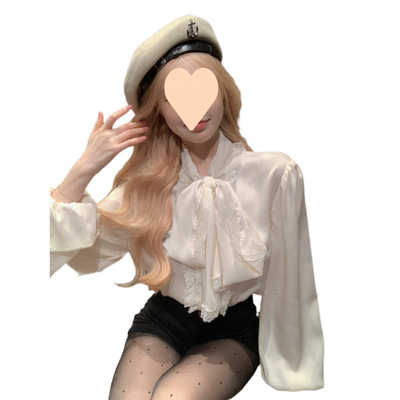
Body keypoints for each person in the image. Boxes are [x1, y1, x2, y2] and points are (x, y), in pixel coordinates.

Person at [50, 15, 324, 399]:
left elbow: (292, 277)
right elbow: (72, 254)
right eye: (174, 97)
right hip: (163, 321)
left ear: (224, 91)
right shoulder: (146, 185)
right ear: (158, 111)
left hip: (234, 331)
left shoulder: (276, 174)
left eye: (204, 89)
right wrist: (82, 170)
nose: (193, 109)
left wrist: (293, 363)